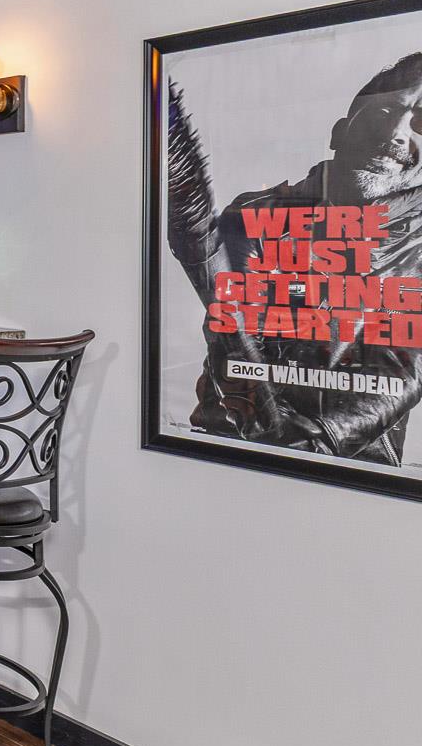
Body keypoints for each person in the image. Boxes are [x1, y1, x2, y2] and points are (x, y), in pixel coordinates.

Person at [168, 53, 422, 465]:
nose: (396, 131)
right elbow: (233, 349)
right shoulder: (254, 218)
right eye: (386, 111)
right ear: (339, 133)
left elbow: (402, 374)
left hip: (353, 479)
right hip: (215, 452)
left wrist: (316, 439)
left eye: (421, 122)